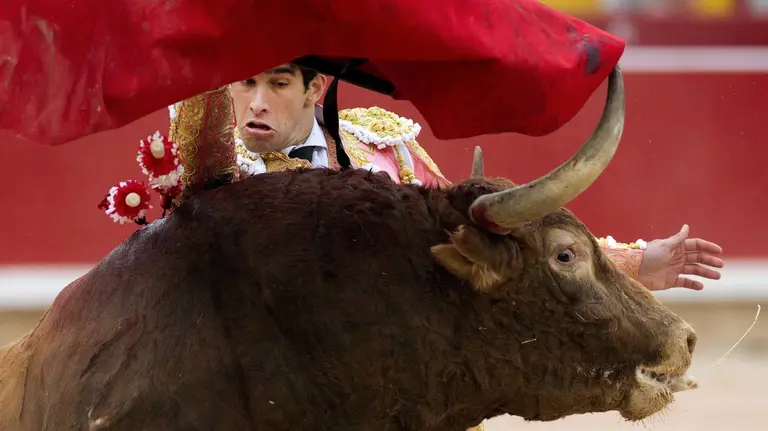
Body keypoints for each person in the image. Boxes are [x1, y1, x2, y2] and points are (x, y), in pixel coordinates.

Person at [102, 61, 723, 431]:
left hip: (406, 399)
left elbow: (490, 245)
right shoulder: (212, 173)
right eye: (243, 84)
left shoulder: (382, 146)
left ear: (315, 88)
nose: (256, 102)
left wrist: (636, 264)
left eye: (278, 84)